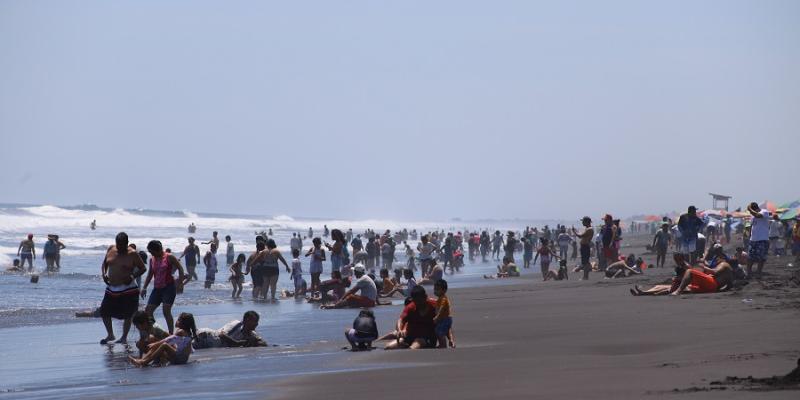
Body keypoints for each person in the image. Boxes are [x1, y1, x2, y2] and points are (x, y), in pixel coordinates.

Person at [99, 232, 147, 344]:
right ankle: (110, 334)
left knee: (128, 314)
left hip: (128, 289)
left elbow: (142, 268)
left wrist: (132, 276)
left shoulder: (133, 253)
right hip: (112, 288)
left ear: (127, 243)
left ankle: (124, 337)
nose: (120, 247)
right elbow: (105, 263)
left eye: (122, 245)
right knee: (104, 311)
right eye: (118, 244)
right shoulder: (111, 249)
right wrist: (104, 274)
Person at [141, 240, 187, 334]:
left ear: (157, 249)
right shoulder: (152, 259)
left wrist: (180, 283)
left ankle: (170, 334)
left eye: (152, 251)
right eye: (150, 252)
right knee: (148, 311)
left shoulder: (169, 257)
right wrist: (144, 287)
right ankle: (156, 331)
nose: (151, 253)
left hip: (169, 288)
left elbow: (180, 269)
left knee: (166, 311)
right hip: (157, 289)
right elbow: (150, 274)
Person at [128, 312, 197, 366]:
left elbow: (169, 338)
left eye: (178, 319)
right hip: (182, 359)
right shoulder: (186, 332)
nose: (176, 321)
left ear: (184, 323)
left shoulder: (181, 331)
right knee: (159, 344)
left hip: (180, 359)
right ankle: (143, 360)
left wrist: (156, 344)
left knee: (164, 345)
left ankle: (144, 362)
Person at [194, 311, 267, 348]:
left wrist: (254, 342)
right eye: (255, 321)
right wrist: (237, 343)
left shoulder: (252, 334)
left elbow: (263, 343)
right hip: (206, 337)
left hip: (211, 345)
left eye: (257, 321)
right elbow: (222, 335)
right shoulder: (237, 324)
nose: (257, 324)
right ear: (246, 320)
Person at [669, 253, 734, 295]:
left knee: (689, 271)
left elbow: (715, 272)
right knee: (688, 288)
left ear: (722, 258)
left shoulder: (724, 264)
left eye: (717, 258)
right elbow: (730, 284)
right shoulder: (728, 270)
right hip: (712, 287)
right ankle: (673, 290)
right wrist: (720, 290)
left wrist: (703, 267)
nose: (716, 260)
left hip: (712, 284)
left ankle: (678, 291)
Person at [746, 202, 771, 279]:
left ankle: (758, 273)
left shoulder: (764, 212)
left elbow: (758, 215)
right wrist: (749, 237)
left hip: (762, 239)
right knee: (750, 258)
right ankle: (748, 274)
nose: (751, 212)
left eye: (751, 211)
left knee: (761, 258)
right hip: (753, 240)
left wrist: (749, 209)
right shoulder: (752, 216)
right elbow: (752, 226)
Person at [433, 279, 454, 348]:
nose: (435, 291)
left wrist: (437, 316)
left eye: (438, 289)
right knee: (446, 330)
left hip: (445, 318)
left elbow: (441, 308)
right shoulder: (440, 298)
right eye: (435, 289)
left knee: (439, 331)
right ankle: (451, 341)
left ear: (444, 290)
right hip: (446, 318)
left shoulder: (443, 299)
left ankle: (443, 344)